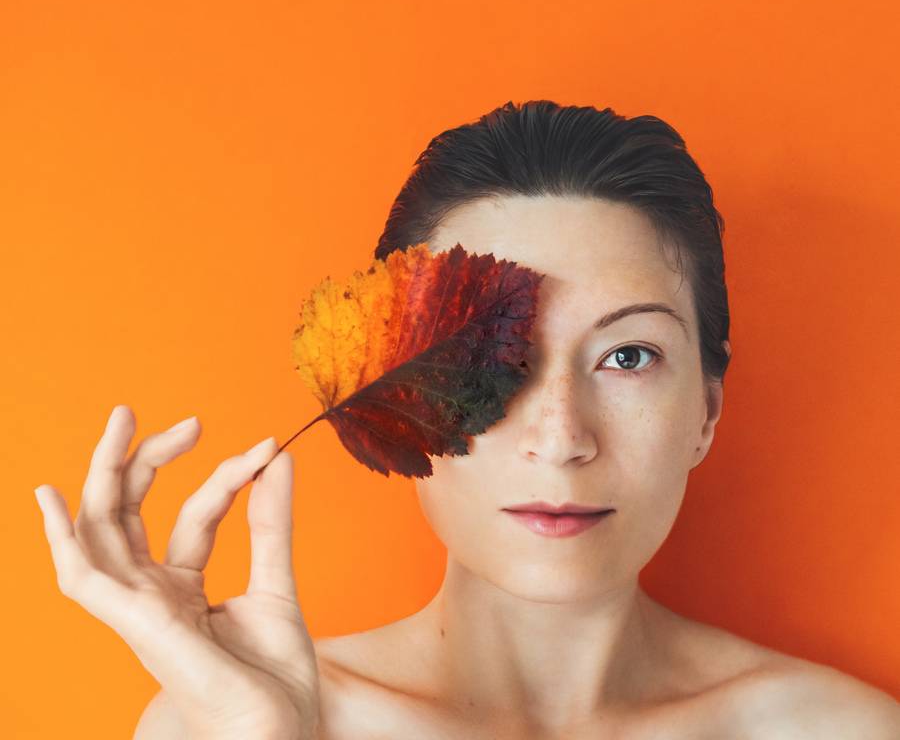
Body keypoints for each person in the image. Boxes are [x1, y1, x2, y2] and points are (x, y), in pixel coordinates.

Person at [35, 99, 900, 739]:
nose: (561, 438)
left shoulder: (837, 731)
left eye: (627, 356)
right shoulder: (224, 721)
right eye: (494, 362)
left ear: (706, 412)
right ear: (405, 400)